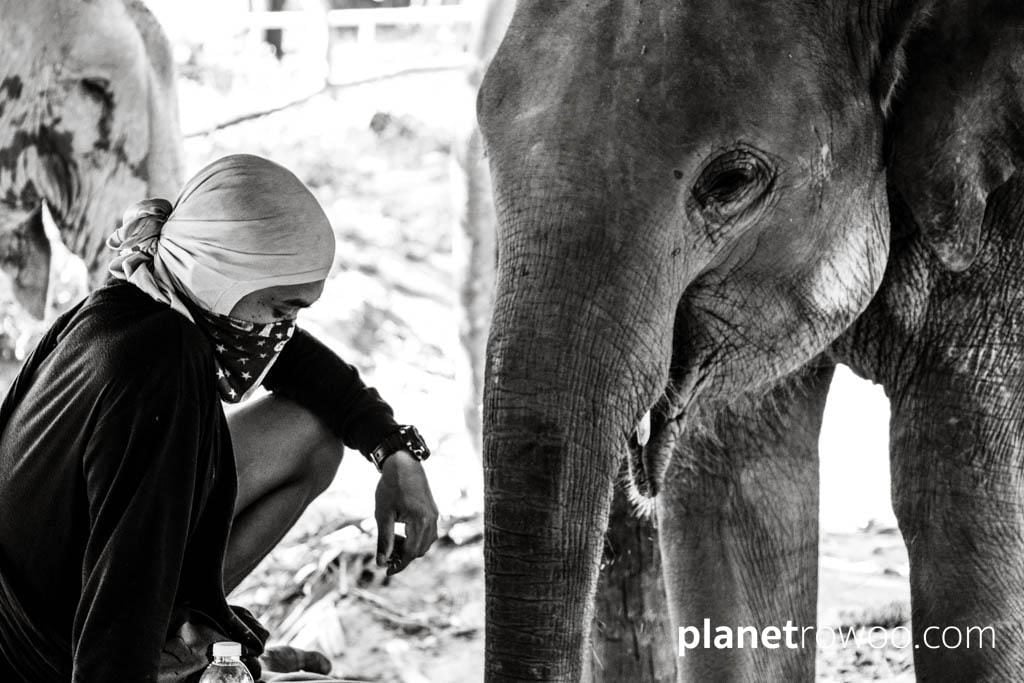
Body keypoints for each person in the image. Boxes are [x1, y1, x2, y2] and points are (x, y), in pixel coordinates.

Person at [0, 154, 440, 682]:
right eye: (280, 310)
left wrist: (393, 450)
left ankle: (184, 632)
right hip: (45, 659)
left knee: (311, 431)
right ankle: (175, 660)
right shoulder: (162, 368)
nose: (283, 332)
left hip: (58, 602)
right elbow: (128, 574)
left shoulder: (130, 303)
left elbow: (302, 365)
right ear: (222, 282)